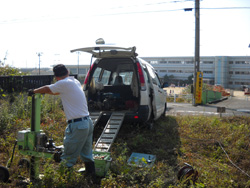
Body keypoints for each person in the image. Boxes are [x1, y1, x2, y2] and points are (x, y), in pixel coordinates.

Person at [28, 64, 95, 179]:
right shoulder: (75, 82)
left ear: (56, 77)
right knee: (86, 153)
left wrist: (34, 91)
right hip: (87, 122)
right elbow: (55, 91)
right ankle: (91, 177)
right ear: (67, 72)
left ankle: (64, 181)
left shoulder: (63, 83)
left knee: (68, 156)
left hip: (78, 125)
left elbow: (47, 88)